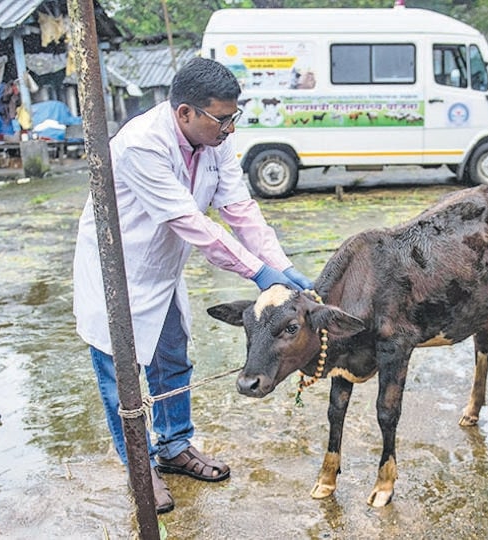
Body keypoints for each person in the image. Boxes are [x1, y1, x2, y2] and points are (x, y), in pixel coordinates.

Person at [73, 57, 313, 514]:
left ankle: (175, 446)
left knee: (172, 359)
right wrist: (255, 273)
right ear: (185, 113)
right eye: (223, 119)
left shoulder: (214, 139)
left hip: (162, 269)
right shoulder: (140, 145)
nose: (230, 128)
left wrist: (281, 265)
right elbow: (189, 221)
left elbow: (238, 207)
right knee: (119, 377)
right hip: (119, 272)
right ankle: (141, 470)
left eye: (233, 117)